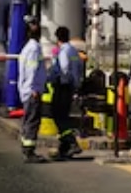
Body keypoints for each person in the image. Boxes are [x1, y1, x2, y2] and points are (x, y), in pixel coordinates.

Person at [49, 26, 83, 160]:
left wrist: (55, 77)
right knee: (63, 115)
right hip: (71, 87)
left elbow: (64, 69)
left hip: (62, 86)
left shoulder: (63, 51)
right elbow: (79, 67)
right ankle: (64, 148)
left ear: (57, 38)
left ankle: (72, 142)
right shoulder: (74, 51)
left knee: (58, 115)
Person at [18, 21, 48, 163]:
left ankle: (26, 147)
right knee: (32, 121)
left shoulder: (27, 48)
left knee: (28, 119)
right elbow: (32, 70)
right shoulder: (34, 48)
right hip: (32, 90)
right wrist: (34, 89)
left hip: (26, 89)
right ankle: (29, 151)